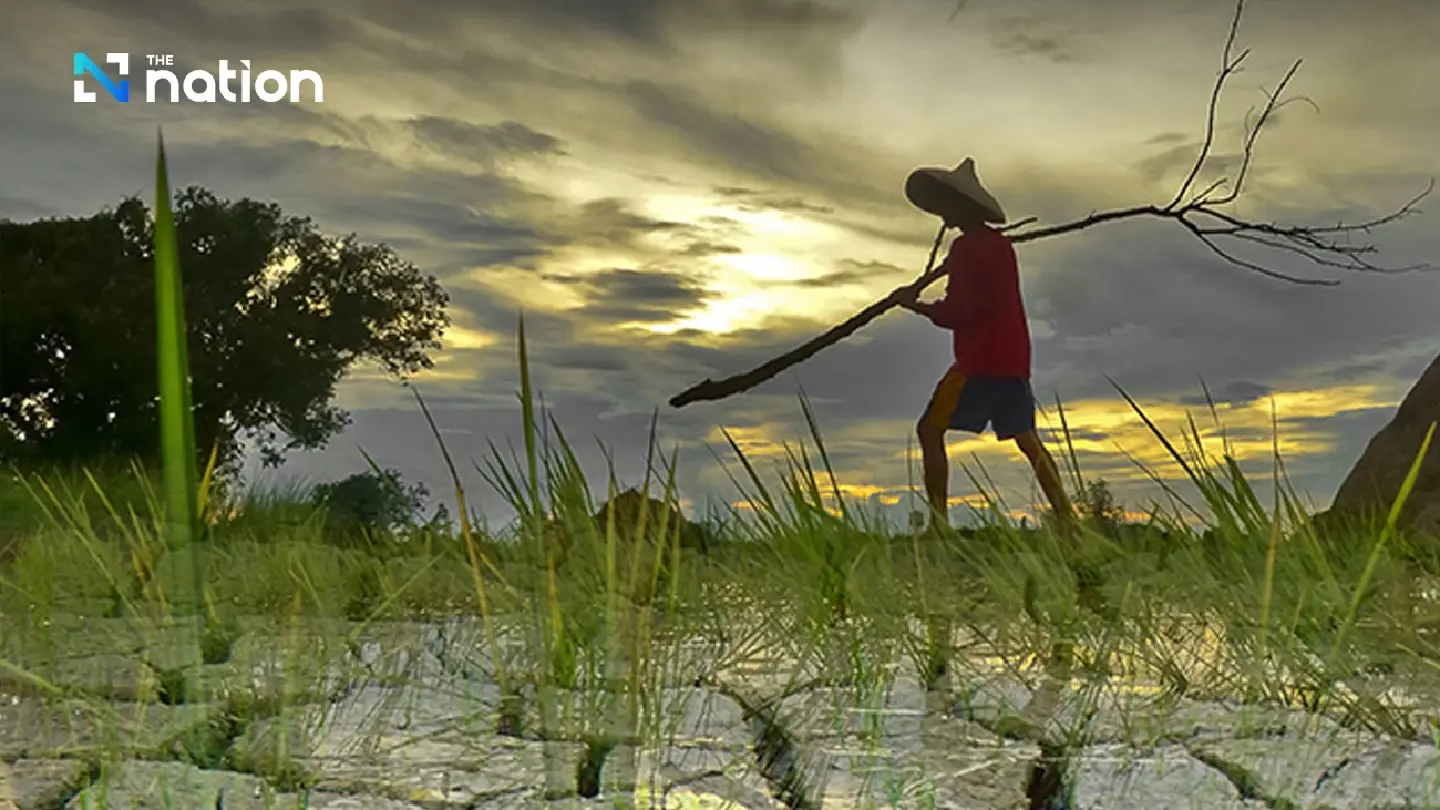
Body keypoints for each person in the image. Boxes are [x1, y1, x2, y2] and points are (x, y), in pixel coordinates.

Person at [892, 158, 1077, 538]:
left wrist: (916, 306)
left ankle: (939, 526)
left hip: (980, 360)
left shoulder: (966, 249)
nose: (943, 213)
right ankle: (1068, 521)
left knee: (929, 430)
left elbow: (959, 311)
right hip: (1014, 359)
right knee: (1027, 439)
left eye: (948, 205)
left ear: (965, 208)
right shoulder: (1000, 246)